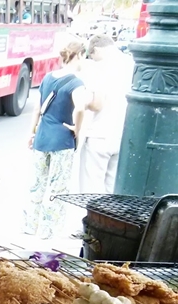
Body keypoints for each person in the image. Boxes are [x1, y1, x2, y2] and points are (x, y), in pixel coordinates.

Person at [24, 41, 89, 239]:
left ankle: (30, 225)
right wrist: (77, 129)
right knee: (57, 187)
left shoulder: (47, 78)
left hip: (42, 137)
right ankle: (48, 230)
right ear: (77, 55)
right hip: (62, 140)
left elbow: (37, 109)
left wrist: (31, 132)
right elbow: (80, 108)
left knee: (37, 184)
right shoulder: (76, 83)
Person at [76, 34, 135, 194]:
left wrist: (83, 103)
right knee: (112, 187)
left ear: (96, 50)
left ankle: (94, 218)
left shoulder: (100, 68)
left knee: (91, 188)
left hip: (99, 134)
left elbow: (97, 104)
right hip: (122, 134)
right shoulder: (132, 64)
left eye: (92, 56)